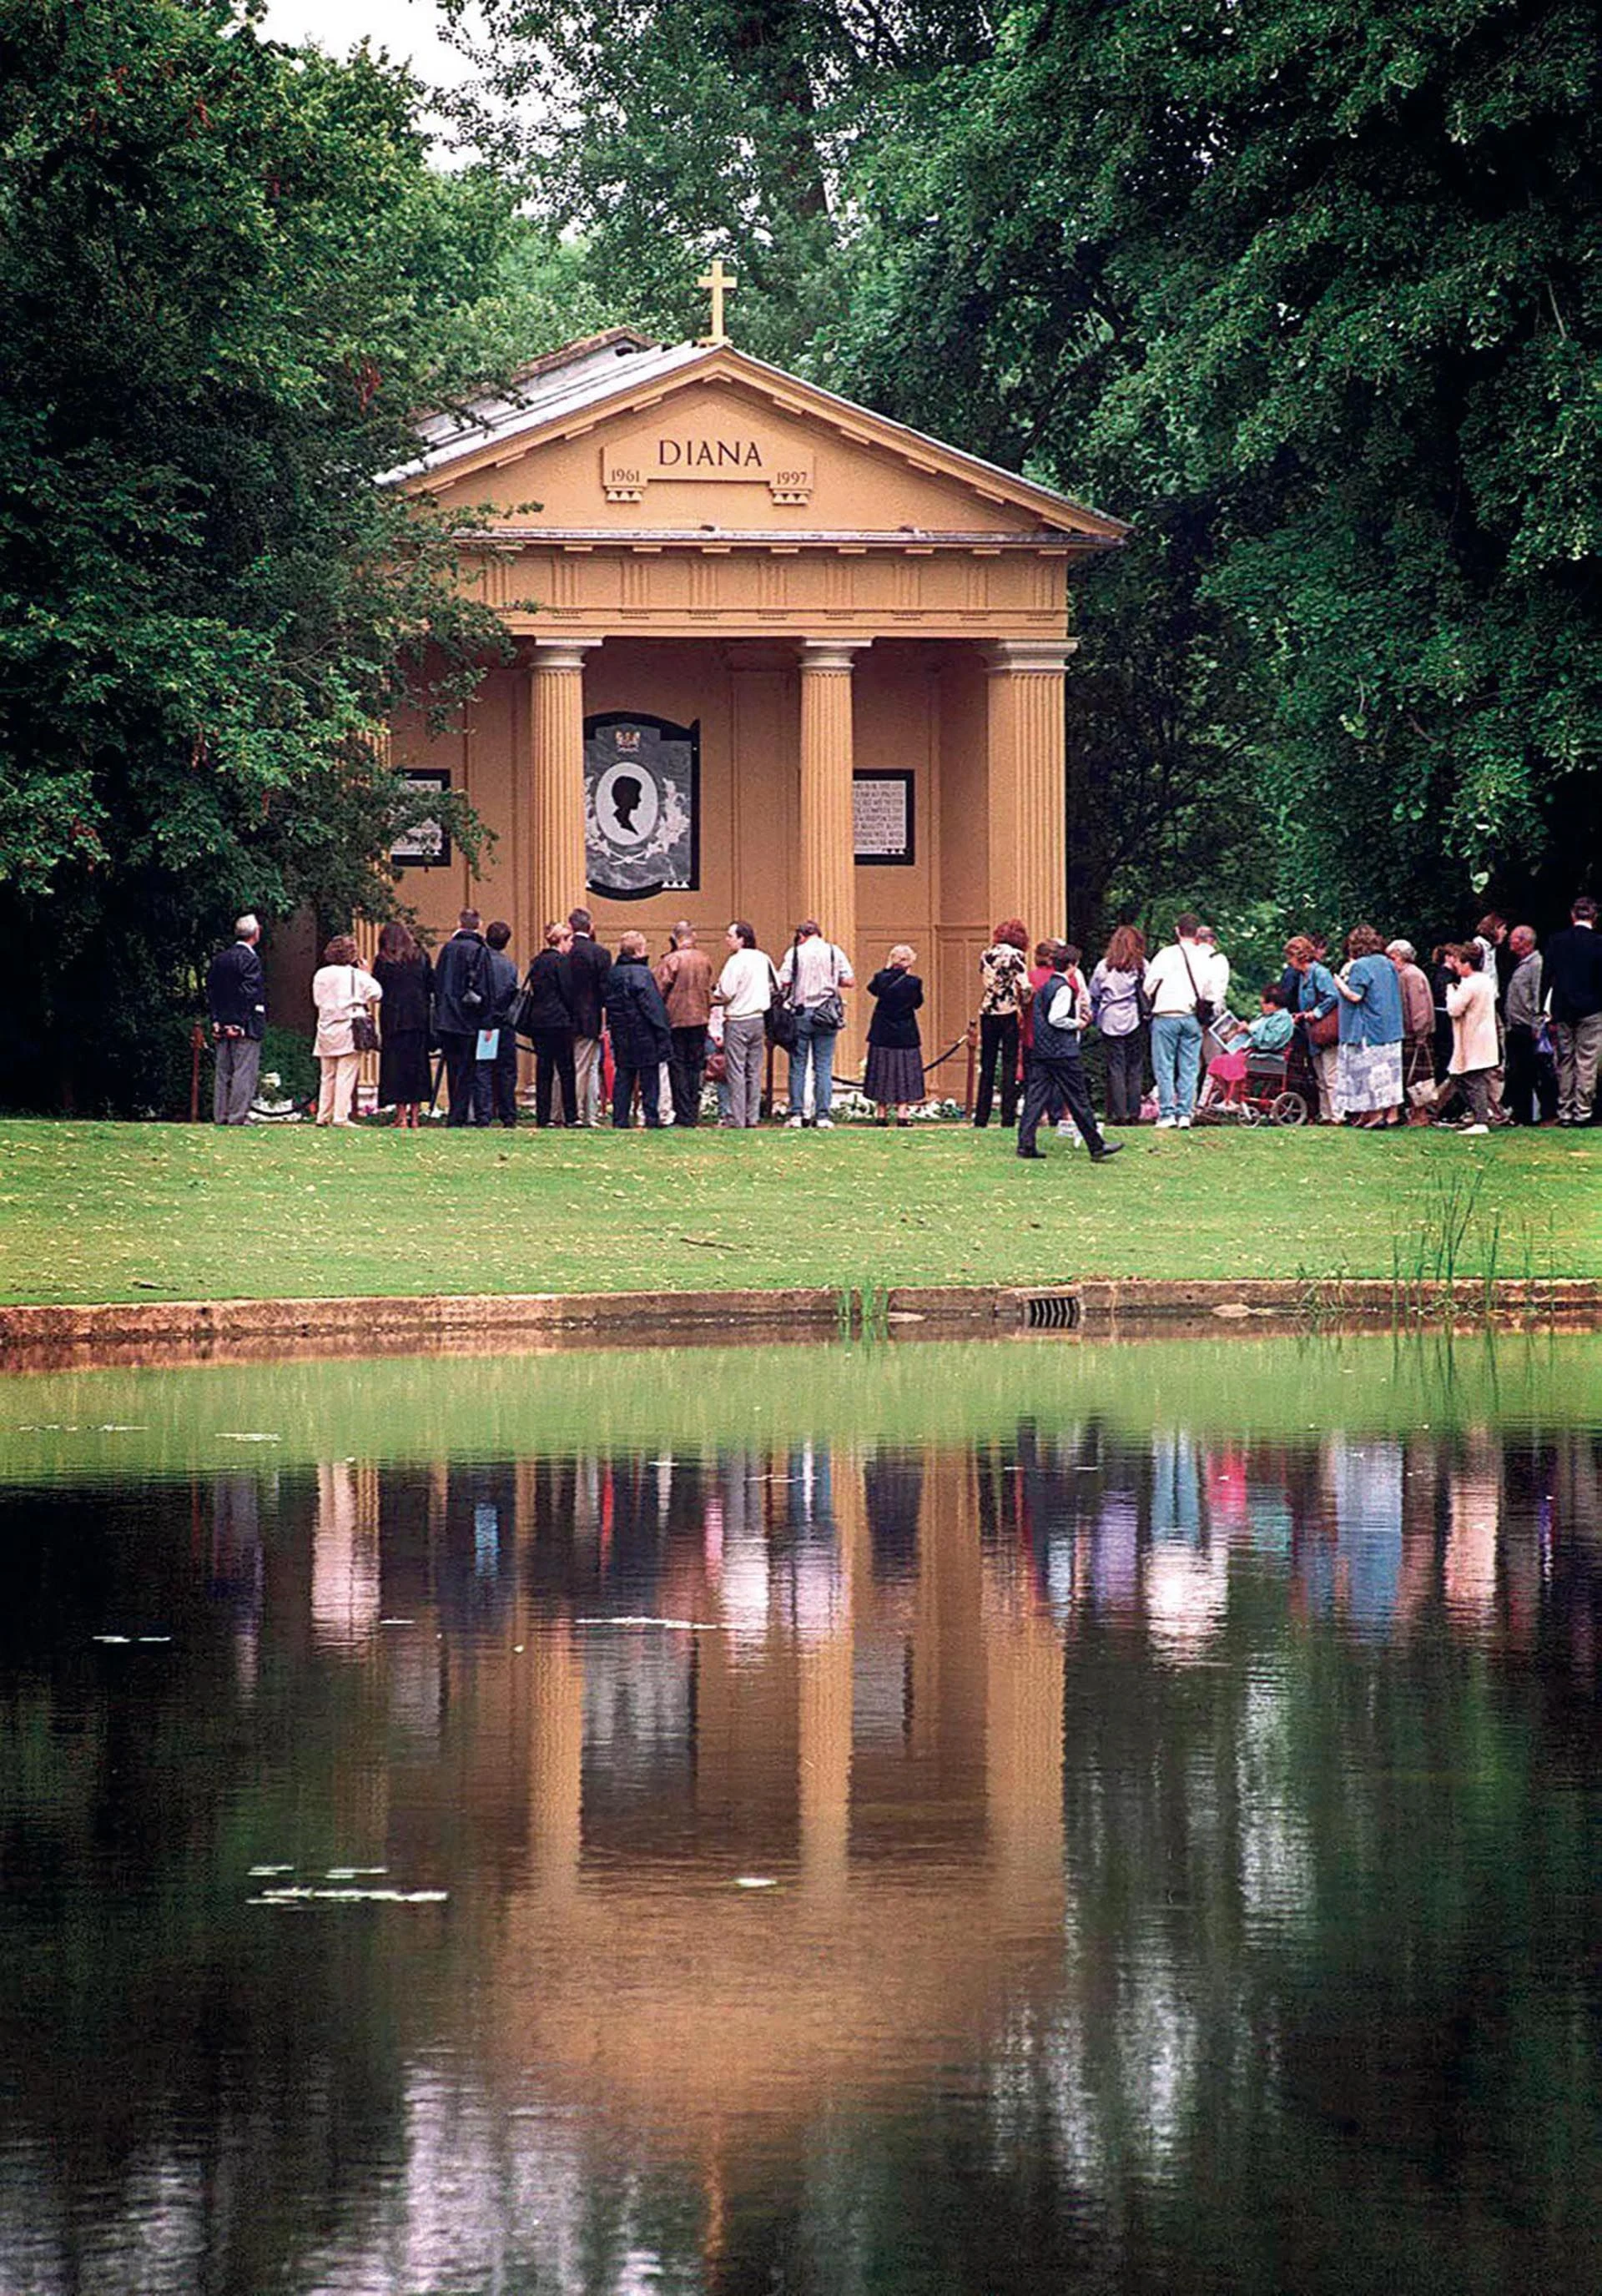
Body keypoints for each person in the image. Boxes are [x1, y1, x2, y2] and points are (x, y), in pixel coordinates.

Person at [1017, 941, 1121, 1162]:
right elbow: (1057, 1019)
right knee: (1078, 1098)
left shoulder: (1045, 987)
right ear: (1072, 966)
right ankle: (1096, 1145)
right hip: (1062, 1051)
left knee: (1035, 1097)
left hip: (1042, 1050)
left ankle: (1026, 1143)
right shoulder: (1063, 988)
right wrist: (1077, 1024)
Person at [1143, 913, 1228, 1129]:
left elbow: (1149, 985)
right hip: (1191, 1017)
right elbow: (1211, 993)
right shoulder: (1204, 957)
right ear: (1197, 933)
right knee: (1190, 1067)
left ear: (1177, 930)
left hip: (1166, 1014)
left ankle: (1167, 1113)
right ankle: (1185, 1113)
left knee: (1165, 1066)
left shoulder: (1166, 954)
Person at [777, 919, 854, 1128]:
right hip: (826, 1014)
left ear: (801, 936)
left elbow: (783, 980)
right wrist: (828, 980)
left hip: (801, 1013)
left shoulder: (795, 953)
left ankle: (797, 1114)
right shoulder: (834, 952)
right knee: (823, 1066)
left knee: (798, 1065)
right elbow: (849, 980)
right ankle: (822, 1115)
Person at [1333, 924, 1405, 1127]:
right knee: (1386, 1075)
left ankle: (1374, 1116)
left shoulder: (1360, 966)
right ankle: (1373, 1115)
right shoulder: (1388, 963)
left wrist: (1339, 984)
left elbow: (1355, 996)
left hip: (1367, 1030)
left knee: (1367, 1074)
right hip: (1389, 1028)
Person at [310, 934, 382, 1128]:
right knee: (346, 1072)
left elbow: (317, 1000)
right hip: (349, 1026)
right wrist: (367, 973)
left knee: (327, 1074)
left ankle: (323, 1114)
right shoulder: (356, 975)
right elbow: (377, 993)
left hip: (326, 1025)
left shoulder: (321, 974)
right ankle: (340, 1116)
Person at [604, 929, 673, 1127]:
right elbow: (652, 1006)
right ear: (640, 949)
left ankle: (620, 1118)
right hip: (644, 1033)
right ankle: (650, 1117)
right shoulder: (643, 974)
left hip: (621, 1030)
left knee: (624, 1075)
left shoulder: (614, 974)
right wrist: (662, 1029)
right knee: (649, 1078)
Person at [1544, 894, 1602, 1126]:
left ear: (1572, 915)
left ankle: (1565, 1109)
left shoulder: (1557, 941)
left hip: (1563, 1008)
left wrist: (1544, 1009)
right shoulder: (1599, 943)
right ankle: (1583, 1110)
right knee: (1587, 1060)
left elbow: (1547, 977)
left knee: (1565, 1060)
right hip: (1592, 1009)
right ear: (1594, 917)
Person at [205, 914, 266, 1125]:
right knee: (243, 1071)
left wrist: (217, 1020)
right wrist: (238, 1022)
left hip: (221, 1022)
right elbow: (249, 993)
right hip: (244, 1024)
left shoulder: (220, 958)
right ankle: (238, 1116)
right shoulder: (250, 959)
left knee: (223, 1071)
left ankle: (220, 1114)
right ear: (255, 933)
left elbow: (212, 991)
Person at [372, 920, 432, 1128]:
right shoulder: (420, 957)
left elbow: (378, 991)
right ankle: (415, 1117)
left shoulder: (384, 960)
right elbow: (430, 985)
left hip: (394, 1021)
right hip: (418, 1019)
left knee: (396, 1068)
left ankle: (401, 1116)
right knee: (417, 1068)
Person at [433, 908, 490, 1126]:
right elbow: (485, 988)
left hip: (447, 1018)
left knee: (453, 1068)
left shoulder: (448, 949)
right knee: (468, 1070)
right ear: (479, 924)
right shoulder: (478, 950)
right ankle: (461, 1113)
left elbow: (439, 983)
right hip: (469, 1018)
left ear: (459, 923)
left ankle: (454, 1114)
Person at [656, 920, 715, 1127]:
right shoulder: (704, 959)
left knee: (678, 1066)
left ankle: (683, 1114)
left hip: (676, 1020)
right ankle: (693, 1111)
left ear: (675, 938)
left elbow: (660, 989)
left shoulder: (672, 960)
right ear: (693, 936)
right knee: (695, 1066)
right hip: (700, 1018)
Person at [973, 919, 1031, 1130]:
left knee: (987, 1064)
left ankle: (981, 1116)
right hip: (1008, 1011)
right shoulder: (1016, 955)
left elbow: (987, 981)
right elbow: (1024, 985)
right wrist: (1024, 1003)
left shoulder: (987, 953)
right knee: (1009, 1064)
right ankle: (1008, 1116)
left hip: (988, 1010)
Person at [521, 922, 578, 1128]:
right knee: (566, 1069)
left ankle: (543, 1116)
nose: (572, 945)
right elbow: (568, 992)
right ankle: (571, 1115)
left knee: (543, 1069)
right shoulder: (561, 962)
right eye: (569, 940)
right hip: (559, 1020)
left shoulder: (538, 962)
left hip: (539, 1020)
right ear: (561, 940)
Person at [715, 920, 772, 1127]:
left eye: (730, 936)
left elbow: (727, 992)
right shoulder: (763, 958)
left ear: (742, 939)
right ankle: (752, 1116)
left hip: (738, 1020)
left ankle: (737, 1118)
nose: (727, 940)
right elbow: (773, 986)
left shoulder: (735, 961)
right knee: (754, 1071)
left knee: (736, 1070)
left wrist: (717, 992)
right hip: (758, 1019)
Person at [1089, 924, 1148, 1125]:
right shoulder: (1141, 966)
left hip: (1110, 1019)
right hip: (1135, 1018)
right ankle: (1134, 1112)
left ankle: (1118, 1113)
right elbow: (1149, 991)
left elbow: (1094, 993)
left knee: (1115, 1067)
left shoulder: (1103, 966)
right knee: (1135, 1067)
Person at [1199, 985, 1293, 1110]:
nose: (1262, 1007)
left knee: (1231, 1062)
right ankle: (1223, 1098)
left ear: (1272, 1004)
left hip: (1266, 1055)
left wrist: (1249, 1030)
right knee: (1219, 1061)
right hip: (1248, 1051)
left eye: (1264, 1004)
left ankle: (1231, 1099)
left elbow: (1271, 1041)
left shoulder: (1283, 1019)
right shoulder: (1265, 1016)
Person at [864, 944, 926, 1125]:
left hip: (882, 1032)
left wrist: (887, 969)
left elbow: (873, 989)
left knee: (882, 1071)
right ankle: (902, 1113)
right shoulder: (914, 983)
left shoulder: (880, 978)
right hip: (905, 1032)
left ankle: (881, 1113)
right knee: (904, 1073)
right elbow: (917, 1003)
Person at [1443, 942, 1499, 1135]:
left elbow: (1454, 1009)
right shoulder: (1486, 981)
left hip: (1473, 1036)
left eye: (1459, 962)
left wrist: (1451, 991)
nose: (1456, 967)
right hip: (1482, 1035)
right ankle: (1481, 1113)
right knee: (1462, 1076)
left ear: (1468, 963)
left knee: (1472, 1078)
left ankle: (1481, 1119)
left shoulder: (1470, 984)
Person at [1283, 934, 1341, 1122]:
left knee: (1331, 1074)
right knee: (1321, 1076)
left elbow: (1332, 996)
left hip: (1325, 1030)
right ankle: (1326, 1114)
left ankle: (1337, 1115)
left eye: (1290, 957)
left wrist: (1316, 1013)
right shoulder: (1303, 976)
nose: (1289, 962)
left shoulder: (1319, 973)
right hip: (1313, 1032)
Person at [564, 908, 612, 1127]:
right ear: (590, 926)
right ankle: (586, 1114)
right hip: (590, 1018)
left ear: (571, 926)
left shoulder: (567, 953)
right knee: (590, 1067)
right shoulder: (600, 954)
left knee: (578, 1066)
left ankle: (578, 1112)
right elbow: (605, 992)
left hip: (566, 1017)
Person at [1502, 926, 1554, 1126]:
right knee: (1518, 1072)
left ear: (1524, 942)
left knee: (1533, 1072)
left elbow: (1537, 996)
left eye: (1514, 939)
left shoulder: (1536, 964)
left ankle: (1544, 1114)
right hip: (1515, 1026)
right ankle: (1521, 1114)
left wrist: (1537, 1025)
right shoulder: (1522, 965)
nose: (1510, 943)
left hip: (1527, 1027)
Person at [1386, 939, 1436, 1125]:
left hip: (1415, 1035)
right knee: (1412, 1075)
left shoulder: (1412, 975)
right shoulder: (1405, 974)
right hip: (1410, 1033)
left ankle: (1420, 1115)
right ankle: (1415, 1114)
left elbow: (1420, 1007)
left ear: (1399, 956)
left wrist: (1420, 1032)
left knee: (1418, 1077)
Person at [477, 921, 521, 1129]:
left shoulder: (480, 962)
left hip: (485, 1021)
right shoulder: (510, 966)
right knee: (507, 1070)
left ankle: (484, 1114)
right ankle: (508, 1113)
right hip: (505, 1023)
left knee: (484, 1068)